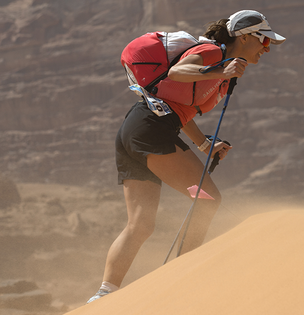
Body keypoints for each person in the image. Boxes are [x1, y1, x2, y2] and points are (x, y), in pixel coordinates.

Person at [88, 9, 286, 303]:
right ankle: (181, 276)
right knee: (208, 199)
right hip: (151, 131)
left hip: (139, 130)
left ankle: (104, 295)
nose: (266, 49)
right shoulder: (210, 52)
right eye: (264, 42)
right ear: (245, 38)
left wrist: (205, 145)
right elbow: (177, 72)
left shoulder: (221, 63)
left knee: (141, 224)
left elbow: (179, 109)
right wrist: (222, 70)